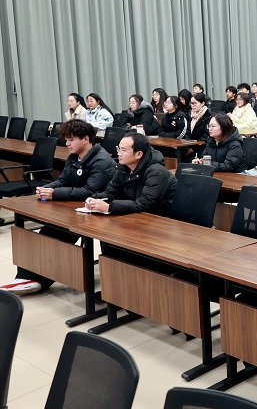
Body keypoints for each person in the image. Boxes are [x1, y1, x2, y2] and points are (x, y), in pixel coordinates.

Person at [0, 120, 116, 295]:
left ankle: (38, 279)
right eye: (66, 140)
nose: (67, 144)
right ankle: (27, 277)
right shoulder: (74, 156)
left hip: (97, 211)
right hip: (76, 208)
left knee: (57, 237)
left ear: (85, 139)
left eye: (71, 140)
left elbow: (89, 191)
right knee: (45, 235)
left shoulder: (102, 161)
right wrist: (48, 188)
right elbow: (63, 179)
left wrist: (54, 194)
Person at [84, 133, 177, 215]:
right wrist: (95, 199)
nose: (118, 154)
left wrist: (110, 207)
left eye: (123, 150)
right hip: (135, 215)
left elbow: (144, 204)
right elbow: (112, 192)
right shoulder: (123, 167)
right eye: (118, 149)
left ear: (139, 154)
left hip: (159, 218)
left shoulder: (156, 172)